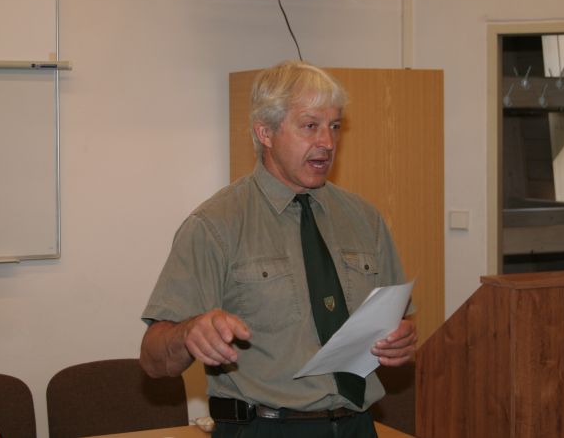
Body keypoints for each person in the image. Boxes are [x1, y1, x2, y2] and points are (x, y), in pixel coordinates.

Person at [140, 60, 416, 438]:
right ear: (265, 132)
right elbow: (153, 359)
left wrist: (401, 339)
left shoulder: (364, 218)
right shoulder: (215, 225)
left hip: (358, 425)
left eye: (335, 126)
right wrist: (189, 332)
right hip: (265, 428)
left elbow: (400, 321)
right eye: (310, 126)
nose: (328, 142)